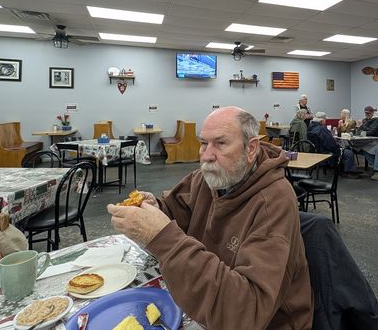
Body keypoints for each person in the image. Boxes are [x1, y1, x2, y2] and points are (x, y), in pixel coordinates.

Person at [107, 107, 313, 329]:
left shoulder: (273, 201)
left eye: (220, 143)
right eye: (203, 143)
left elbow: (247, 313)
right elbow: (174, 210)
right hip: (209, 307)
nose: (206, 155)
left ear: (251, 148)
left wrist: (162, 238)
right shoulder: (210, 178)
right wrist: (155, 207)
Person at [307, 111, 360, 177]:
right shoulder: (322, 130)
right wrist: (338, 148)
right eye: (325, 119)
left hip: (315, 151)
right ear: (322, 120)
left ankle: (342, 168)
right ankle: (349, 172)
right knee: (349, 153)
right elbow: (331, 144)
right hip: (325, 152)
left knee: (343, 150)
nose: (325, 121)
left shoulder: (310, 128)